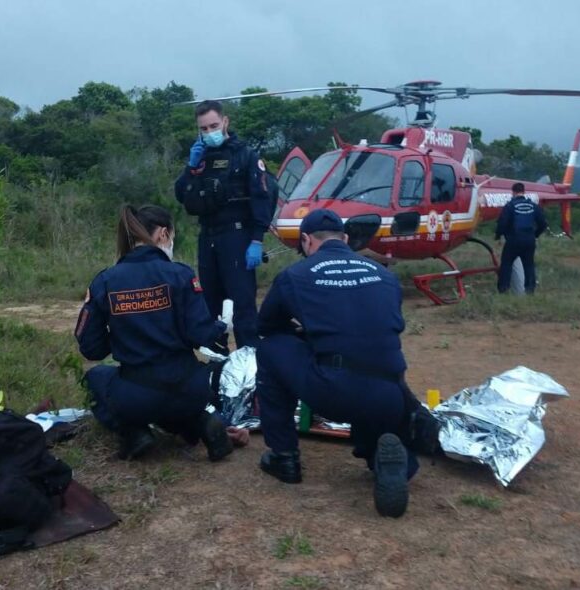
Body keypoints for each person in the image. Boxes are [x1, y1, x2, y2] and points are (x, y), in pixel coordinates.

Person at [254, 209, 418, 518]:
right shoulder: (385, 274)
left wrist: (307, 335)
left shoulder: (295, 276)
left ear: (306, 241)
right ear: (344, 239)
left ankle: (284, 457)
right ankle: (386, 457)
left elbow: (267, 327)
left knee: (270, 348)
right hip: (391, 393)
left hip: (333, 392)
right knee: (368, 365)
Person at [74, 204, 234, 461]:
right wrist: (222, 325)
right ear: (162, 233)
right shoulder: (181, 274)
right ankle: (202, 422)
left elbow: (91, 348)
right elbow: (201, 335)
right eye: (172, 235)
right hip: (190, 390)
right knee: (174, 402)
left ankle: (134, 432)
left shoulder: (106, 280)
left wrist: (120, 334)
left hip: (137, 394)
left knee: (97, 378)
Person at [174, 100, 271, 351]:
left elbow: (262, 198)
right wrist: (190, 167)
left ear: (225, 121)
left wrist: (257, 240)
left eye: (213, 126)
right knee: (209, 303)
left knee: (243, 304)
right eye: (203, 128)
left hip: (237, 236)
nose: (209, 132)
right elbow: (181, 194)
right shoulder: (200, 156)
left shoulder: (245, 155)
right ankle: (218, 363)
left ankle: (250, 364)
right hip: (207, 237)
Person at [495, 182, 548, 294]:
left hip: (513, 240)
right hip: (529, 241)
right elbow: (543, 224)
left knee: (506, 264)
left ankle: (503, 289)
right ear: (524, 192)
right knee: (529, 265)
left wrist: (498, 235)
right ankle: (530, 290)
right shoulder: (533, 206)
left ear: (513, 192)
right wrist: (535, 234)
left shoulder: (510, 206)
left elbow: (502, 223)